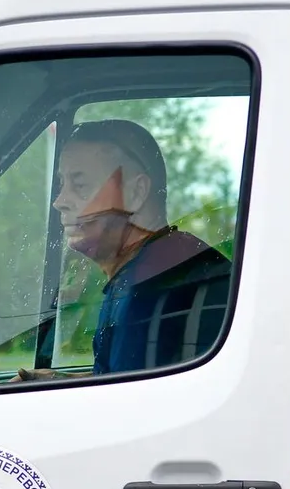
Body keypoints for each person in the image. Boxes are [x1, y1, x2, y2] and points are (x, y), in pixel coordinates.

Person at [52, 118, 234, 375]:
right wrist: (58, 379)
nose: (59, 202)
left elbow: (126, 403)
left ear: (136, 193)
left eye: (79, 185)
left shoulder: (152, 287)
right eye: (62, 185)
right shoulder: (166, 264)